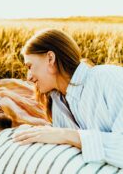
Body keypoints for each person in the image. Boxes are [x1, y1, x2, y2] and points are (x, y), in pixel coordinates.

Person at [12, 29, 123, 168]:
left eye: (30, 66)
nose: (28, 77)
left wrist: (68, 135)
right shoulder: (57, 104)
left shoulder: (110, 79)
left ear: (50, 59)